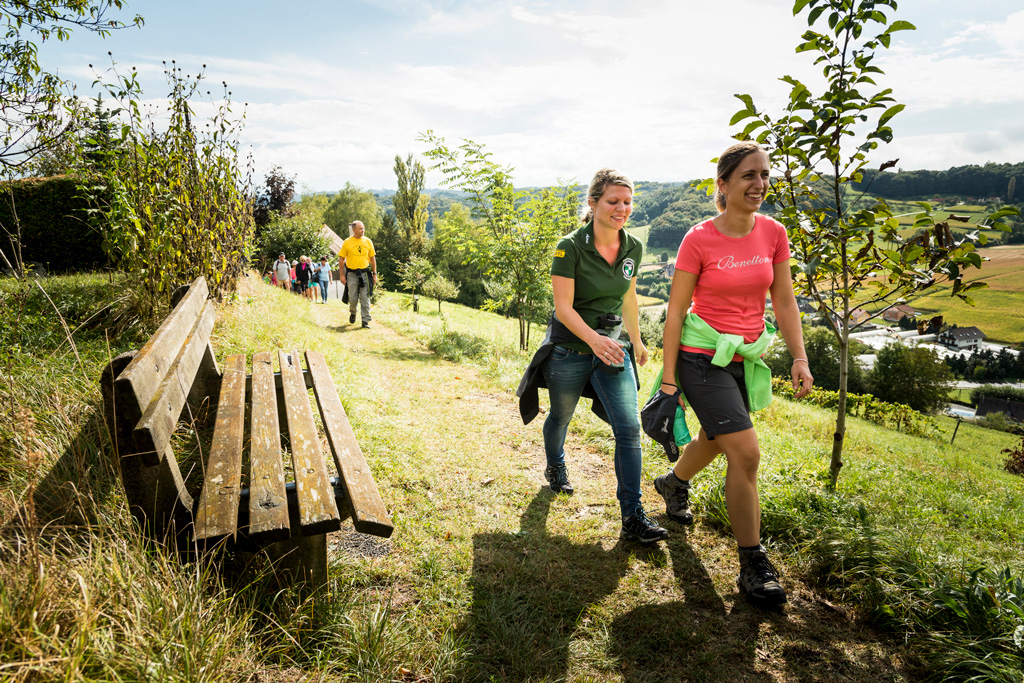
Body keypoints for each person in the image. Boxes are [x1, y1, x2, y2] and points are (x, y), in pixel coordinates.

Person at [652, 142, 814, 605]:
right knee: (745, 454)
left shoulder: (774, 233)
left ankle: (673, 483)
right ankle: (752, 564)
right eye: (748, 175)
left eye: (764, 175)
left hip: (746, 356)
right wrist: (668, 381)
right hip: (701, 357)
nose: (759, 184)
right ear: (723, 184)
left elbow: (784, 301)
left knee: (718, 438)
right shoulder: (699, 237)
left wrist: (799, 357)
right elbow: (676, 311)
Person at [517, 168, 667, 545]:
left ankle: (632, 515)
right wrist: (595, 341)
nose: (622, 208)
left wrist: (637, 340)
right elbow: (563, 308)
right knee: (562, 415)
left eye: (628, 202)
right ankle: (556, 465)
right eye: (614, 201)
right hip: (569, 349)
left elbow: (628, 297)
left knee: (629, 429)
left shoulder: (633, 246)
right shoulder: (569, 246)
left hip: (612, 350)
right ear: (594, 202)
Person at [338, 220, 377, 328]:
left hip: (365, 273)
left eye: (363, 228)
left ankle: (365, 321)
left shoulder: (368, 242)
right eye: (360, 229)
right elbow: (341, 259)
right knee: (353, 298)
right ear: (353, 229)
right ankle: (353, 312)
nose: (363, 230)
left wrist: (374, 274)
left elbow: (372, 259)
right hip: (351, 274)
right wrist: (342, 275)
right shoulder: (347, 242)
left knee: (366, 298)